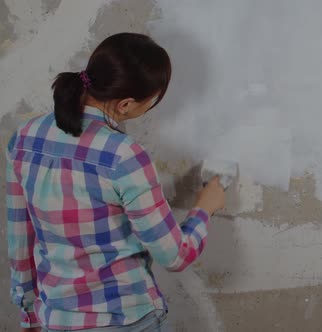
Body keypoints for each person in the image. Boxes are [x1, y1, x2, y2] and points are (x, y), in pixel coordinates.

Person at [6, 32, 225, 332]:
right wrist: (205, 207)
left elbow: (20, 239)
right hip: (123, 320)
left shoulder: (25, 138)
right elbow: (174, 255)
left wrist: (29, 313)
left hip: (55, 319)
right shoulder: (124, 156)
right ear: (125, 105)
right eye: (152, 101)